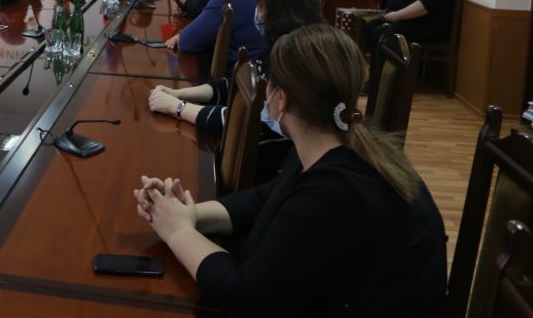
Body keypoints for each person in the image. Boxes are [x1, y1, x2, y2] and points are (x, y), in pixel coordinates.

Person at [133, 25, 446, 317]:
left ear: (280, 99)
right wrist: (186, 214)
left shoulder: (331, 194)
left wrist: (178, 232)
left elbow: (246, 295)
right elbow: (265, 198)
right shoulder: (334, 142)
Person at [149, 0, 324, 136]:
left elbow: (242, 122)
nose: (256, 12)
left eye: (260, 6)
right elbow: (239, 85)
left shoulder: (293, 63)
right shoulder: (277, 47)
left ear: (280, 13)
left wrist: (177, 107)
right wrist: (178, 94)